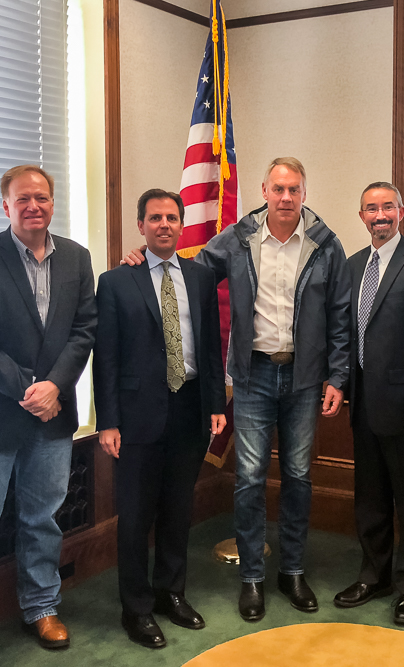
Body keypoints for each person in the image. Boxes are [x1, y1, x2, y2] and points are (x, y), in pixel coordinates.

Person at [123, 157, 351, 622]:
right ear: (265, 190)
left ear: (305, 193)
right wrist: (142, 261)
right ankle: (252, 577)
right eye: (278, 189)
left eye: (295, 190)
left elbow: (341, 316)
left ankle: (292, 569)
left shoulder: (326, 245)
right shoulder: (239, 238)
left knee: (299, 478)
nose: (286, 197)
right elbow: (191, 271)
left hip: (306, 380)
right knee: (248, 478)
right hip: (252, 377)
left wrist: (338, 376)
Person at [0, 165, 97, 667]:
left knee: (43, 520)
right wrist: (28, 391)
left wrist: (55, 386)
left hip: (53, 417)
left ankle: (41, 607)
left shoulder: (77, 258)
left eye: (42, 197)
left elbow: (84, 329)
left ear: (53, 203)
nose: (33, 206)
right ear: (6, 206)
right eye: (23, 199)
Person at [93, 189, 226, 648]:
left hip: (190, 409)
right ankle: (137, 608)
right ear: (141, 225)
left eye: (172, 217)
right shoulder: (115, 281)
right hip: (135, 417)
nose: (164, 224)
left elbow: (211, 348)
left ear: (182, 224)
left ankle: (172, 592)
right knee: (133, 518)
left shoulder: (202, 277)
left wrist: (215, 406)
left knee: (177, 510)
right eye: (155, 218)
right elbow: (105, 357)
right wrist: (107, 421)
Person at [333, 182, 404, 625]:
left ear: (401, 211)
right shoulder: (353, 265)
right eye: (370, 208)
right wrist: (341, 385)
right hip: (363, 405)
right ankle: (374, 574)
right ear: (361, 215)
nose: (379, 215)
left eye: (387, 207)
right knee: (371, 498)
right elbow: (345, 333)